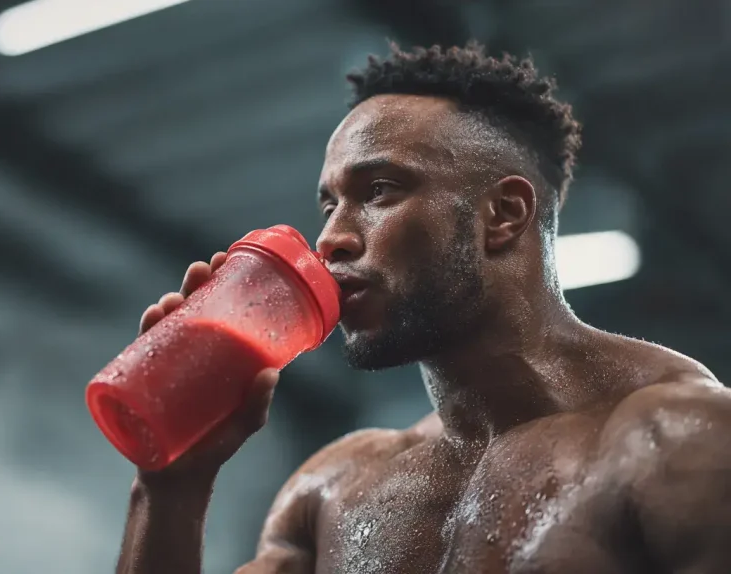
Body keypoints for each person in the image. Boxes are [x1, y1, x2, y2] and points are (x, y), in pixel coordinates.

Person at [113, 42, 731, 573]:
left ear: (503, 215)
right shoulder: (331, 490)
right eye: (330, 205)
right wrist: (169, 488)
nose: (330, 239)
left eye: (379, 190)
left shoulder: (680, 440)